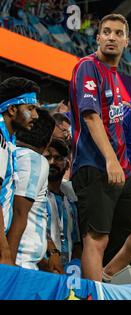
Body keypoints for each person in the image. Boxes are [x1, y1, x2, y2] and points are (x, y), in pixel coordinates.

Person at [69, 13, 131, 281]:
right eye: (107, 32)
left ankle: (108, 272)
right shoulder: (87, 67)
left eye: (118, 33)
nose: (112, 37)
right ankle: (95, 293)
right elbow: (90, 117)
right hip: (94, 165)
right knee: (96, 239)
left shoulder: (116, 77)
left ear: (127, 41)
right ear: (98, 37)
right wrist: (111, 160)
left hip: (122, 171)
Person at [0, 77, 40, 265]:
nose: (36, 115)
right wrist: (5, 253)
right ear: (12, 109)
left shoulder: (9, 139)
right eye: (30, 109)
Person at [10, 109, 54, 270]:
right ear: (48, 140)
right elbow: (19, 212)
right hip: (20, 261)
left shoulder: (13, 152)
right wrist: (9, 263)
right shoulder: (32, 159)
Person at [44, 139, 82, 270]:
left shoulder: (70, 203)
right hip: (43, 266)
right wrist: (53, 253)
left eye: (58, 158)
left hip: (67, 272)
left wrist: (76, 267)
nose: (52, 162)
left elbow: (76, 242)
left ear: (67, 164)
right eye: (47, 157)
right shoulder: (36, 196)